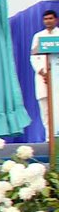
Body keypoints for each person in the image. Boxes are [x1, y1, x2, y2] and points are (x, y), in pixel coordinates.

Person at [31, 9, 59, 139]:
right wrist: (43, 72)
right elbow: (33, 57)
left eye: (50, 18)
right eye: (46, 19)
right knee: (46, 110)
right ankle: (49, 138)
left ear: (56, 20)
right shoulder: (38, 36)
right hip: (43, 79)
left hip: (57, 77)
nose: (48, 21)